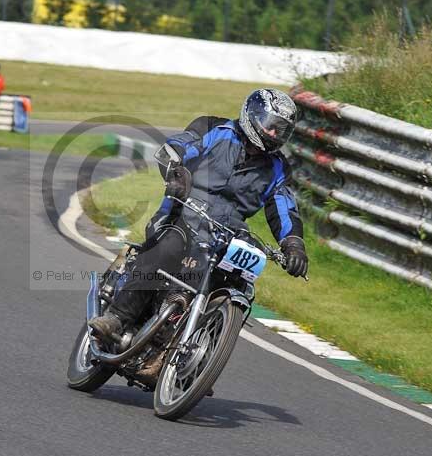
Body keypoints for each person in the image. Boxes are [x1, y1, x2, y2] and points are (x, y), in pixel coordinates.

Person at [88, 88, 309, 341]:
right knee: (168, 247)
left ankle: (196, 348)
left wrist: (293, 244)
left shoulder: (279, 168)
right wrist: (177, 174)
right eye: (271, 125)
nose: (273, 133)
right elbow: (177, 147)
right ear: (252, 115)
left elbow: (284, 207)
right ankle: (117, 317)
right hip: (182, 215)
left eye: (281, 130)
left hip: (226, 234)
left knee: (239, 278)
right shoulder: (213, 129)